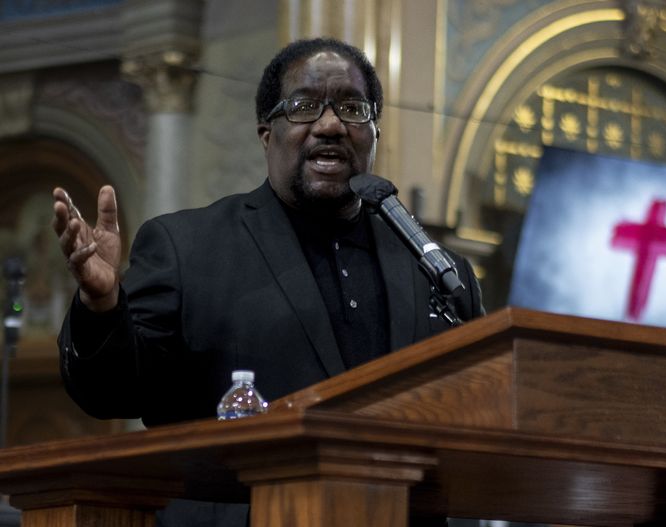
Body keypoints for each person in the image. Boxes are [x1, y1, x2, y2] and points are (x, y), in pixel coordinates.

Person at [52, 38, 484, 526]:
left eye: (351, 107)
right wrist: (102, 304)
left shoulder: (436, 269)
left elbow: (476, 422)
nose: (330, 125)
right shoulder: (188, 247)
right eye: (303, 107)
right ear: (266, 133)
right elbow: (112, 394)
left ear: (374, 132)